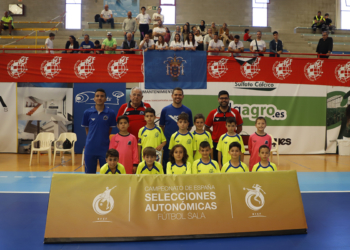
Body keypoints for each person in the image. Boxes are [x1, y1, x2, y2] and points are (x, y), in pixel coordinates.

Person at [82, 89, 117, 174]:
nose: (99, 98)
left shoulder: (111, 113)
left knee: (106, 173)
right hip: (90, 148)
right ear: (94, 98)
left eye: (102, 96)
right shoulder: (87, 112)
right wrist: (92, 138)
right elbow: (87, 129)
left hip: (104, 148)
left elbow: (109, 129)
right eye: (97, 96)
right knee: (89, 174)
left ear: (105, 99)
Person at [160, 87, 193, 169]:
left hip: (183, 145)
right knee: (169, 167)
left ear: (183, 96)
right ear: (172, 96)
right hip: (169, 145)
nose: (177, 96)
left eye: (179, 95)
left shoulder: (188, 111)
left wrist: (181, 135)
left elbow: (189, 127)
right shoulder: (165, 110)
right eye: (175, 95)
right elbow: (161, 126)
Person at [205, 90, 243, 161]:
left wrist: (232, 136)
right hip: (216, 144)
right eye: (222, 98)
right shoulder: (213, 113)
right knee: (217, 165)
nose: (224, 100)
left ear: (229, 99)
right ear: (218, 99)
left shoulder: (235, 112)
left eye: (226, 98)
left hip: (232, 144)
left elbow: (240, 128)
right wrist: (214, 135)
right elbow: (206, 128)